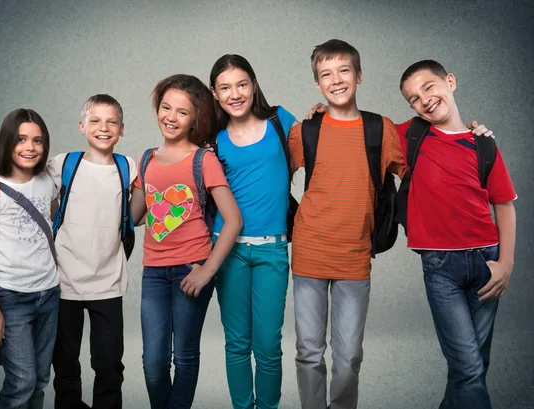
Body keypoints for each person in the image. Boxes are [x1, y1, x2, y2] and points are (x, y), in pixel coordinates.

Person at [0, 94, 135, 409]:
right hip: (54, 287)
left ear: (122, 129)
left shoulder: (125, 166)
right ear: (81, 126)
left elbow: (139, 207)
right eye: (95, 121)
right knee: (52, 372)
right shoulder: (62, 164)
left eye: (111, 121)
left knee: (95, 368)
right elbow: (16, 174)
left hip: (85, 286)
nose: (103, 128)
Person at [287, 39, 406, 409]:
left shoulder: (380, 129)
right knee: (308, 351)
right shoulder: (306, 131)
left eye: (343, 71)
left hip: (354, 257)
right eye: (326, 74)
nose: (336, 80)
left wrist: (467, 132)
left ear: (358, 75)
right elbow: (270, 176)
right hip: (309, 253)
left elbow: (421, 168)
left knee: (349, 355)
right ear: (318, 84)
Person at [397, 59, 516, 409]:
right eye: (414, 99)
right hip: (440, 268)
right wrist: (324, 108)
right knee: (468, 369)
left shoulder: (484, 145)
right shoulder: (411, 136)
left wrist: (506, 263)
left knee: (472, 367)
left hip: (487, 262)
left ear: (450, 81)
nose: (424, 100)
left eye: (429, 87)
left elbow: (505, 206)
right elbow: (360, 127)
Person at [128, 74, 242, 409]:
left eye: (182, 112)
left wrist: (206, 272)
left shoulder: (202, 160)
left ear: (195, 119)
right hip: (154, 273)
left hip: (191, 270)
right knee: (153, 362)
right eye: (166, 107)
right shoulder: (147, 159)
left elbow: (233, 220)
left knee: (185, 356)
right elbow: (135, 215)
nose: (171, 117)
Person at [208, 54, 298, 409]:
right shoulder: (213, 139)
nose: (235, 94)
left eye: (242, 84)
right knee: (237, 343)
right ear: (214, 94)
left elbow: (321, 147)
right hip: (226, 249)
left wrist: (322, 113)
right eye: (225, 87)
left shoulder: (281, 121)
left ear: (254, 84)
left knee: (267, 344)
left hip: (272, 250)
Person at [0, 108, 60, 409]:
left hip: (49, 294)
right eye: (21, 139)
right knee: (21, 381)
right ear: (7, 142)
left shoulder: (48, 181)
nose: (30, 147)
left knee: (38, 379)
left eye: (37, 140)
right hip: (11, 298)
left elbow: (49, 222)